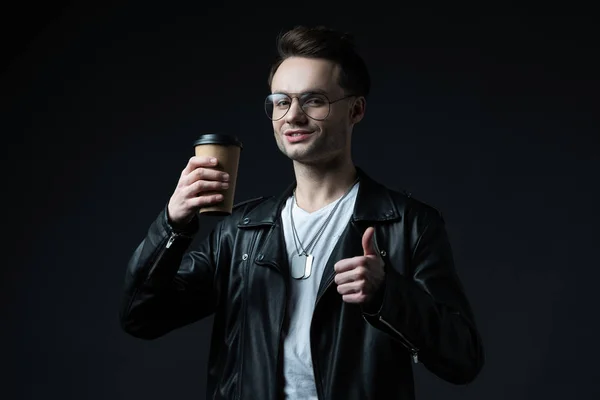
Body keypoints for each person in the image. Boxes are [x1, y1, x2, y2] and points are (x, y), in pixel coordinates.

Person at [120, 25, 484, 400]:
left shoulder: (407, 224)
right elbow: (141, 316)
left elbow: (463, 359)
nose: (292, 116)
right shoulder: (242, 232)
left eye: (313, 100)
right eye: (281, 101)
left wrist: (386, 295)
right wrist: (173, 224)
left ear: (356, 109)